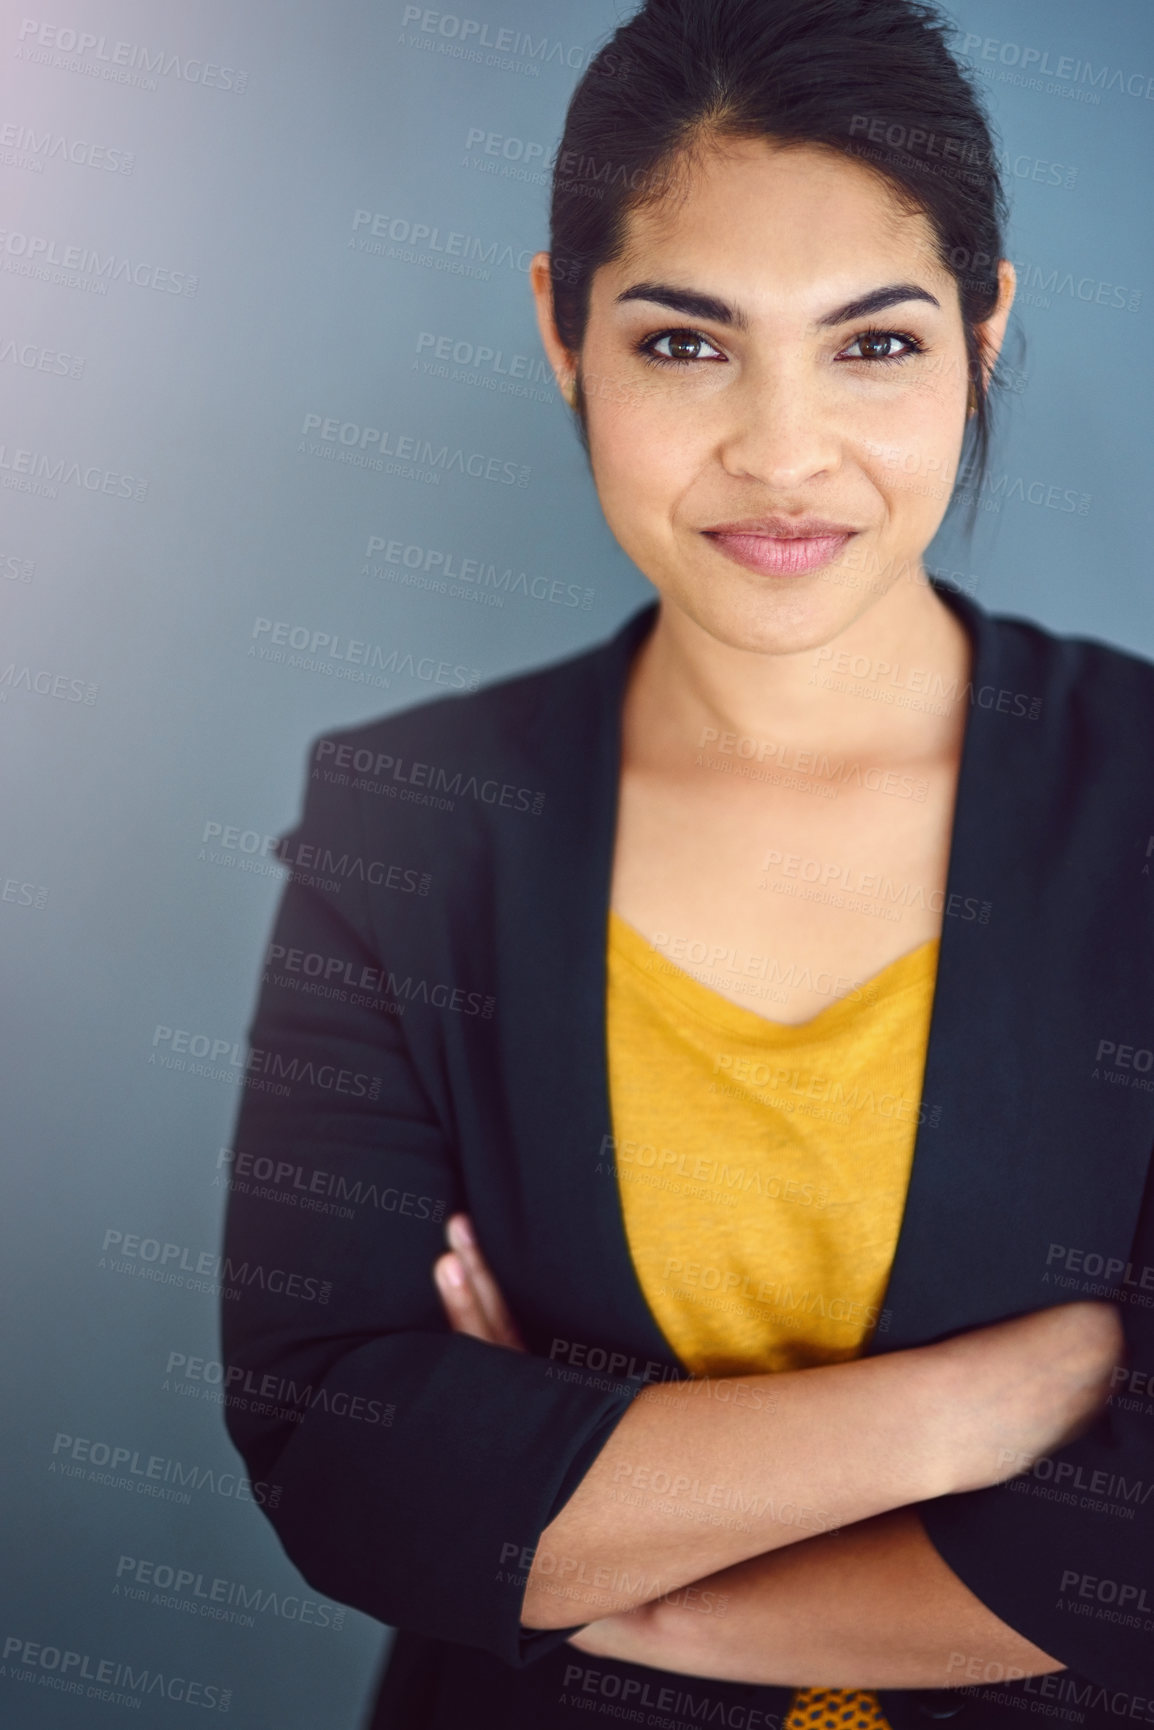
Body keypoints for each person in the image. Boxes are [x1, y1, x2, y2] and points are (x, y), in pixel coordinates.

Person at [220, 3, 1154, 1727]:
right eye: (684, 344)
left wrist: (602, 1559)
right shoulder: (409, 819)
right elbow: (339, 1449)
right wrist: (981, 1408)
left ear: (985, 329)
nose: (782, 453)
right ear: (560, 334)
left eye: (872, 346)